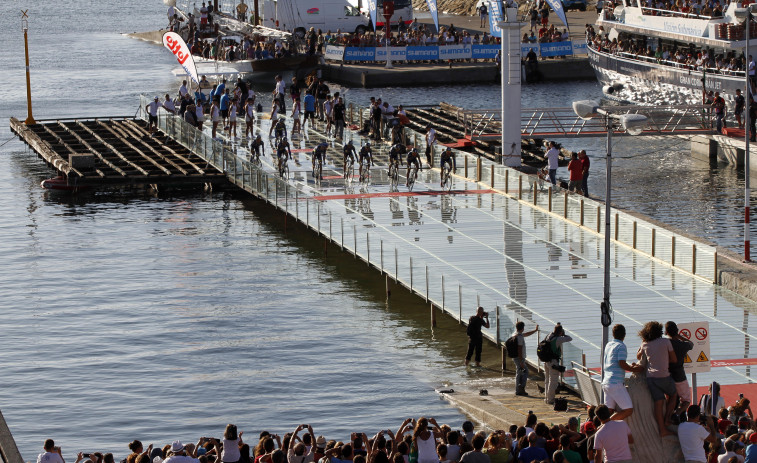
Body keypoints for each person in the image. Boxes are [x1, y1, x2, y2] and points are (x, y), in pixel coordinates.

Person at [637, 321, 677, 437]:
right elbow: (674, 359)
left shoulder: (645, 344)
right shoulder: (665, 342)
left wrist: (643, 343)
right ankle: (668, 418)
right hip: (663, 376)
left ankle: (662, 429)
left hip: (651, 378)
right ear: (660, 331)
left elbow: (638, 356)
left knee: (658, 403)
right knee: (673, 394)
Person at [602, 324, 644, 421]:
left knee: (609, 411)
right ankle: (605, 425)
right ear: (624, 335)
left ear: (613, 334)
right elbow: (622, 364)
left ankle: (600, 427)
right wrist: (637, 369)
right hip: (616, 383)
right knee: (628, 410)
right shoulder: (621, 346)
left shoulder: (608, 345)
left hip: (606, 382)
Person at [665, 321, 694, 415]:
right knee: (686, 400)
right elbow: (691, 344)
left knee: (669, 399)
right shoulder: (682, 345)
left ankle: (667, 415)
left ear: (666, 332)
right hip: (679, 375)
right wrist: (679, 337)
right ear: (677, 331)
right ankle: (677, 414)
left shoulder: (664, 344)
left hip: (667, 375)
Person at [544, 323, 572, 405]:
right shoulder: (558, 339)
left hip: (546, 360)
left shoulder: (549, 336)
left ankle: (546, 398)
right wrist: (563, 335)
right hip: (553, 362)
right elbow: (570, 338)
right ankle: (550, 399)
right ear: (560, 332)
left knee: (547, 380)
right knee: (553, 382)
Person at [513, 321, 539, 396]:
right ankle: (520, 389)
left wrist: (535, 330)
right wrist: (521, 361)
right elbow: (519, 349)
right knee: (524, 372)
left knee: (520, 372)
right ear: (523, 328)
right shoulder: (520, 337)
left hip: (516, 357)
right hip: (519, 358)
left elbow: (526, 334)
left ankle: (519, 389)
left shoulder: (516, 334)